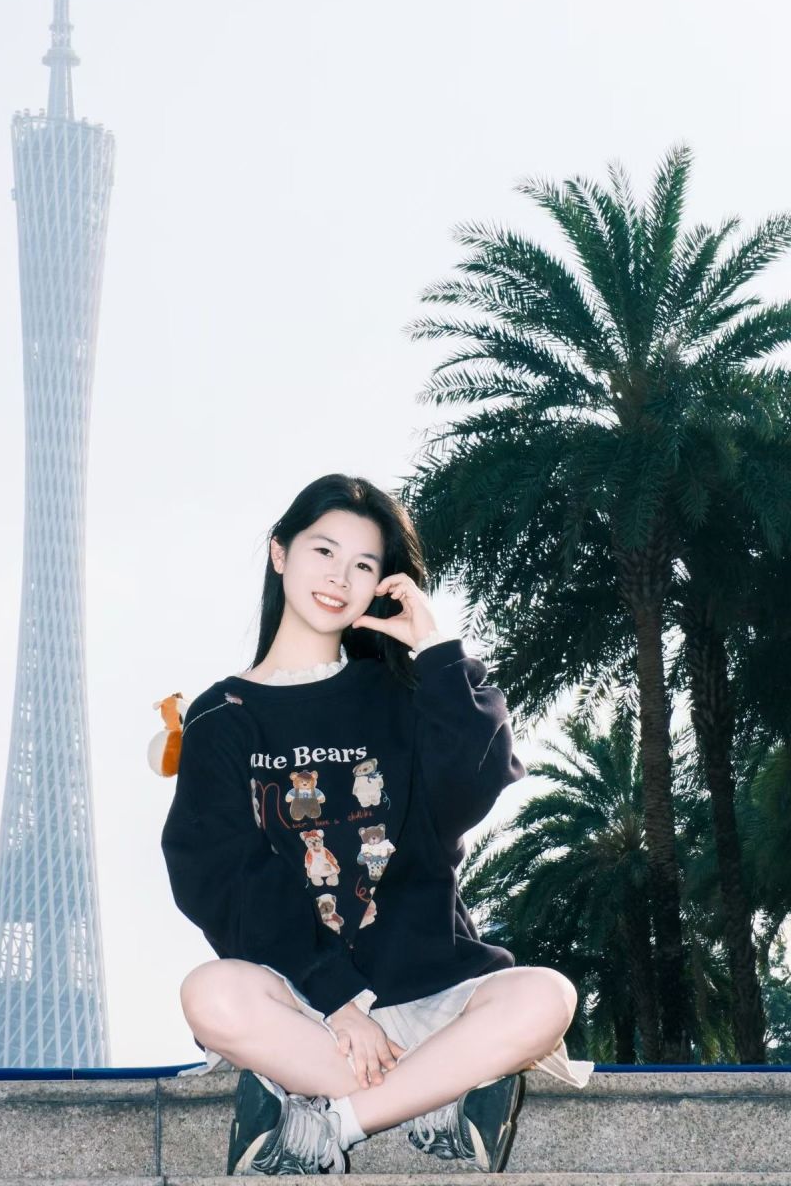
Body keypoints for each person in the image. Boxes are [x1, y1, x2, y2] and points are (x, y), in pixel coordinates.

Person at [160, 473, 593, 1175]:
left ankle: (332, 1122)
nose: (339, 578)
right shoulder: (223, 715)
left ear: (383, 584)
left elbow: (475, 782)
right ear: (279, 553)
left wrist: (436, 649)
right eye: (323, 551)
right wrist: (337, 1001)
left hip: (430, 990)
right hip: (307, 1003)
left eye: (363, 564)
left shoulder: (403, 694)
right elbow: (222, 877)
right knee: (210, 994)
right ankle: (434, 1094)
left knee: (546, 996)